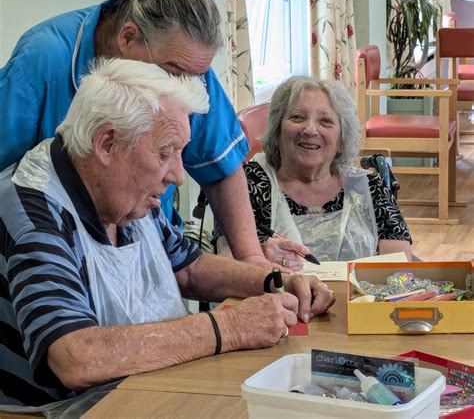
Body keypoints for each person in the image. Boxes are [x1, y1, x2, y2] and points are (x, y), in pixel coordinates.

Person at [0, 60, 335, 411]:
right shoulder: (33, 207)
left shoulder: (124, 193)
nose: (177, 174)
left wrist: (276, 280)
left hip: (139, 387)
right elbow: (76, 356)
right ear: (107, 144)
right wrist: (230, 327)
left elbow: (188, 267)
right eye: (165, 153)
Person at [0, 0, 267, 267]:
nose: (184, 84)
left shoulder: (186, 64)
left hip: (149, 244)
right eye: (174, 71)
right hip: (57, 258)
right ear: (127, 37)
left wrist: (253, 262)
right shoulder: (43, 61)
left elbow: (220, 166)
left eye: (195, 75)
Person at [217, 77, 412, 268]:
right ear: (277, 130)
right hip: (272, 298)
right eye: (297, 117)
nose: (310, 130)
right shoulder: (247, 183)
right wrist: (259, 256)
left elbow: (398, 266)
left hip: (358, 299)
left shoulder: (370, 186)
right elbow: (225, 268)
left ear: (342, 140)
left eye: (326, 121)